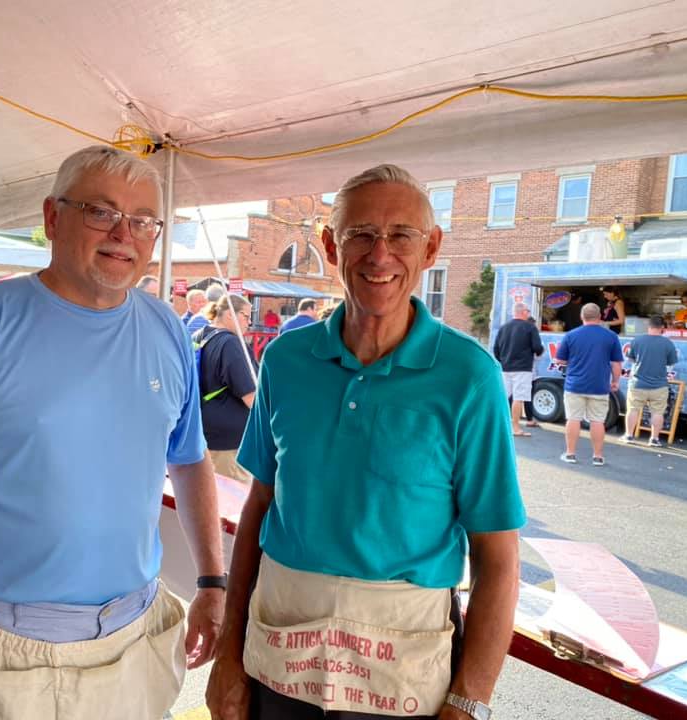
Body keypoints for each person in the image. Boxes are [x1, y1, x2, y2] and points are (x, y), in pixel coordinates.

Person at [0, 146, 225, 720]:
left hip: (140, 634)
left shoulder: (168, 329)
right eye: (101, 211)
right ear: (53, 218)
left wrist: (211, 582)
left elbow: (190, 457)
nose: (123, 234)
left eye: (143, 220)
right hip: (9, 653)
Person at [206, 164, 525, 720]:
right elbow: (260, 505)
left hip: (402, 676)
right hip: (279, 661)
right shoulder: (284, 360)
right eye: (360, 235)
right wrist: (227, 657)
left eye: (401, 235)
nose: (380, 255)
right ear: (332, 245)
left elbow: (496, 555)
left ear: (430, 248)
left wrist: (468, 701)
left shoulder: (468, 376)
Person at [193, 294, 256, 485]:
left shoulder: (199, 335)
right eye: (246, 316)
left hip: (202, 430)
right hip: (230, 441)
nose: (250, 322)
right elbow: (250, 396)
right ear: (230, 314)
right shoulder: (231, 343)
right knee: (233, 500)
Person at [554, 303, 624, 466]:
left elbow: (559, 360)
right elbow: (616, 364)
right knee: (597, 421)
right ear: (600, 317)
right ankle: (598, 457)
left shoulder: (571, 335)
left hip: (575, 385)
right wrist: (615, 382)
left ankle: (570, 454)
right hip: (599, 386)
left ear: (582, 317)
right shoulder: (611, 336)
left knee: (573, 419)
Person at [622, 316, 679, 447]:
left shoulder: (637, 340)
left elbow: (630, 360)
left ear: (649, 327)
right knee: (658, 412)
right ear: (662, 328)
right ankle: (654, 439)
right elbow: (671, 363)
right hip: (659, 385)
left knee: (633, 409)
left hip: (638, 383)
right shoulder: (668, 343)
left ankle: (629, 436)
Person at [493, 303, 544, 437]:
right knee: (519, 398)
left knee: (503, 397)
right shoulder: (530, 328)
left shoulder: (504, 328)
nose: (529, 313)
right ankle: (515, 428)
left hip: (505, 367)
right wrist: (539, 353)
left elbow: (496, 349)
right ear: (523, 312)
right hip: (523, 368)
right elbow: (537, 347)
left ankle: (496, 425)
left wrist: (503, 361)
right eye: (528, 311)